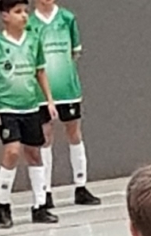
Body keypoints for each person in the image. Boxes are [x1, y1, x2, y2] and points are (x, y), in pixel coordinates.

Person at [0, 0, 60, 229]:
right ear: (5, 16)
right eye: (18, 12)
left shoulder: (33, 41)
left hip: (31, 107)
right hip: (7, 107)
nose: (24, 16)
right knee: (12, 151)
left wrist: (49, 100)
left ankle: (40, 205)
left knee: (34, 153)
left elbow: (40, 72)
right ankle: (3, 205)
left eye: (26, 11)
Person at [29, 0, 100, 207]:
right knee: (45, 137)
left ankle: (81, 186)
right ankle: (46, 191)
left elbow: (74, 52)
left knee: (74, 133)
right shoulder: (30, 23)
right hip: (40, 93)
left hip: (68, 90)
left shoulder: (67, 18)